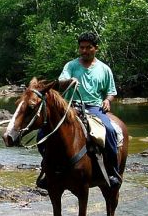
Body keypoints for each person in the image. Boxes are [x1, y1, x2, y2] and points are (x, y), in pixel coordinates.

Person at [37, 31, 121, 189]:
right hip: (71, 106)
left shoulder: (104, 69)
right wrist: (70, 80)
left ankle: (112, 172)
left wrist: (107, 101)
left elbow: (111, 92)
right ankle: (47, 170)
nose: (84, 51)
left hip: (94, 107)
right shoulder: (71, 65)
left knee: (110, 131)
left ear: (96, 48)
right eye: (81, 47)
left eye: (88, 47)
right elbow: (60, 81)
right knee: (42, 133)